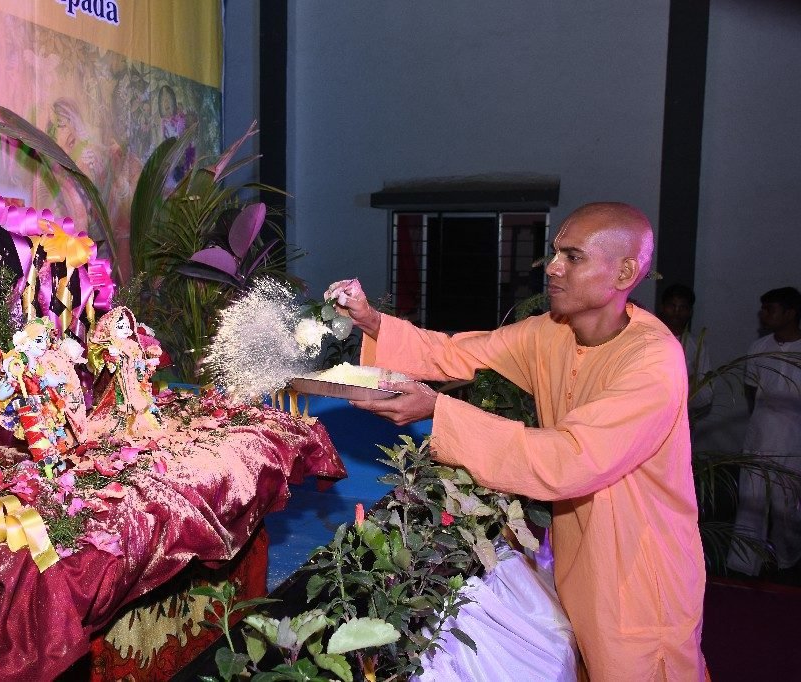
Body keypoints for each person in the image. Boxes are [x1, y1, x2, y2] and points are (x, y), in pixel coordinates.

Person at [328, 203, 705, 680]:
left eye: (573, 257)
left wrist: (438, 412)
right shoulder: (551, 333)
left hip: (639, 575)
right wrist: (372, 322)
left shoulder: (653, 363)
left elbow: (569, 460)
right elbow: (454, 352)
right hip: (576, 557)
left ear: (625, 271)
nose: (552, 268)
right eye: (555, 253)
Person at [727, 286, 801, 576]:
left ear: (791, 313)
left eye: (770, 309)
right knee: (751, 503)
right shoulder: (759, 348)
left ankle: (787, 560)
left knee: (788, 511)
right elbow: (751, 390)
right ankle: (744, 563)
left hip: (794, 443)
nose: (763, 315)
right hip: (759, 437)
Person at [658, 284, 713, 417]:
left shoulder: (697, 345)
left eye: (682, 308)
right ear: (662, 307)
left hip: (681, 418)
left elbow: (706, 393)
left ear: (690, 312)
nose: (676, 312)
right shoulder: (648, 338)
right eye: (672, 306)